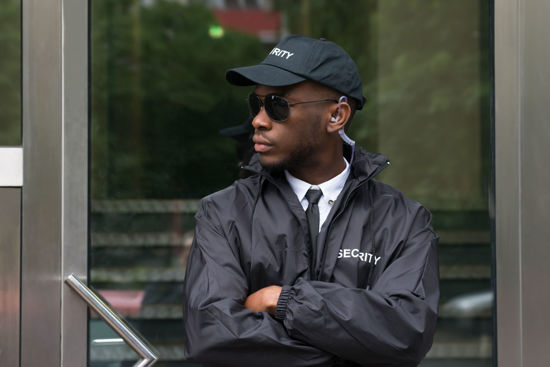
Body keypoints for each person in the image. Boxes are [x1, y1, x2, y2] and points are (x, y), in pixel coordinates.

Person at [183, 35, 439, 367]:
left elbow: (406, 335)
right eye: (255, 104)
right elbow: (211, 334)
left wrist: (283, 300)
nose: (259, 120)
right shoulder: (223, 212)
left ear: (337, 116)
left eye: (277, 105)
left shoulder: (404, 220)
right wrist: (355, 347)